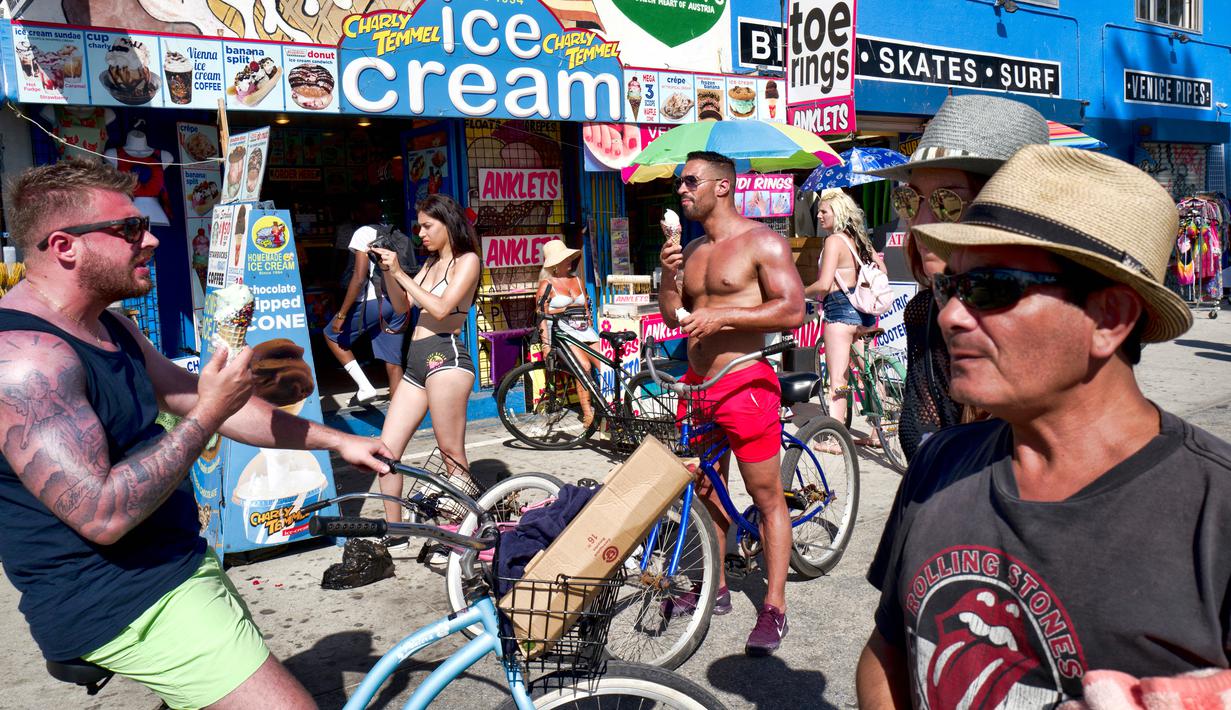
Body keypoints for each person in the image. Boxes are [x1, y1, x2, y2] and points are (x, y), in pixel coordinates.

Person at [0, 159, 393, 710]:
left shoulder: (111, 325)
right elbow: (100, 514)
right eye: (131, 228)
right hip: (116, 595)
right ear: (65, 246)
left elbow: (206, 402)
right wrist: (207, 413)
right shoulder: (25, 364)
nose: (153, 241)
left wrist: (337, 440)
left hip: (173, 561)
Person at [855, 145, 1231, 708]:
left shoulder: (1215, 511)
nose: (953, 316)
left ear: (1109, 318)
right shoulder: (941, 464)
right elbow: (888, 651)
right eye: (949, 289)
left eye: (990, 288)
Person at [658, 150, 805, 656]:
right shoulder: (693, 251)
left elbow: (793, 309)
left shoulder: (762, 241)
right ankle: (715, 587)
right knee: (701, 488)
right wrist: (666, 278)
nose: (681, 190)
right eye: (680, 182)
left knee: (765, 496)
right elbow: (676, 313)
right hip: (697, 386)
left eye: (690, 181)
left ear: (722, 186)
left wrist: (725, 321)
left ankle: (774, 607)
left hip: (744, 382)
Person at [864, 94, 1049, 462]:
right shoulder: (924, 313)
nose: (922, 222)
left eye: (947, 201)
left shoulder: (1049, 322)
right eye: (909, 200)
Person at [370, 194, 480, 543]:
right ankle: (395, 530)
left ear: (448, 224)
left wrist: (402, 272)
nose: (421, 234)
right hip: (416, 363)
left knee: (451, 454)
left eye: (428, 226)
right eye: (419, 227)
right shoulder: (430, 266)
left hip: (444, 358)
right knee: (385, 452)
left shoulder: (468, 261)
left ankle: (463, 533)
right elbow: (404, 306)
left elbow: (444, 308)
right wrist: (390, 273)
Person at [804, 188, 887, 442]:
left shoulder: (834, 241)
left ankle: (836, 440)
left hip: (839, 312)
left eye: (823, 211)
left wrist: (800, 291)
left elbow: (824, 284)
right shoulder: (860, 239)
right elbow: (882, 268)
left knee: (837, 379)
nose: (819, 215)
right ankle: (879, 431)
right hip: (863, 314)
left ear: (837, 213)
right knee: (869, 373)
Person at [535, 239, 603, 426]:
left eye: (569, 257)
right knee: (584, 367)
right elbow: (542, 316)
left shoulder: (578, 281)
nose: (569, 261)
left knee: (605, 366)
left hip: (585, 330)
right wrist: (546, 344)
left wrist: (589, 324)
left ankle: (610, 406)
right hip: (563, 333)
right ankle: (588, 413)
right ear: (555, 264)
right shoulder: (546, 285)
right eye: (564, 258)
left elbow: (587, 309)